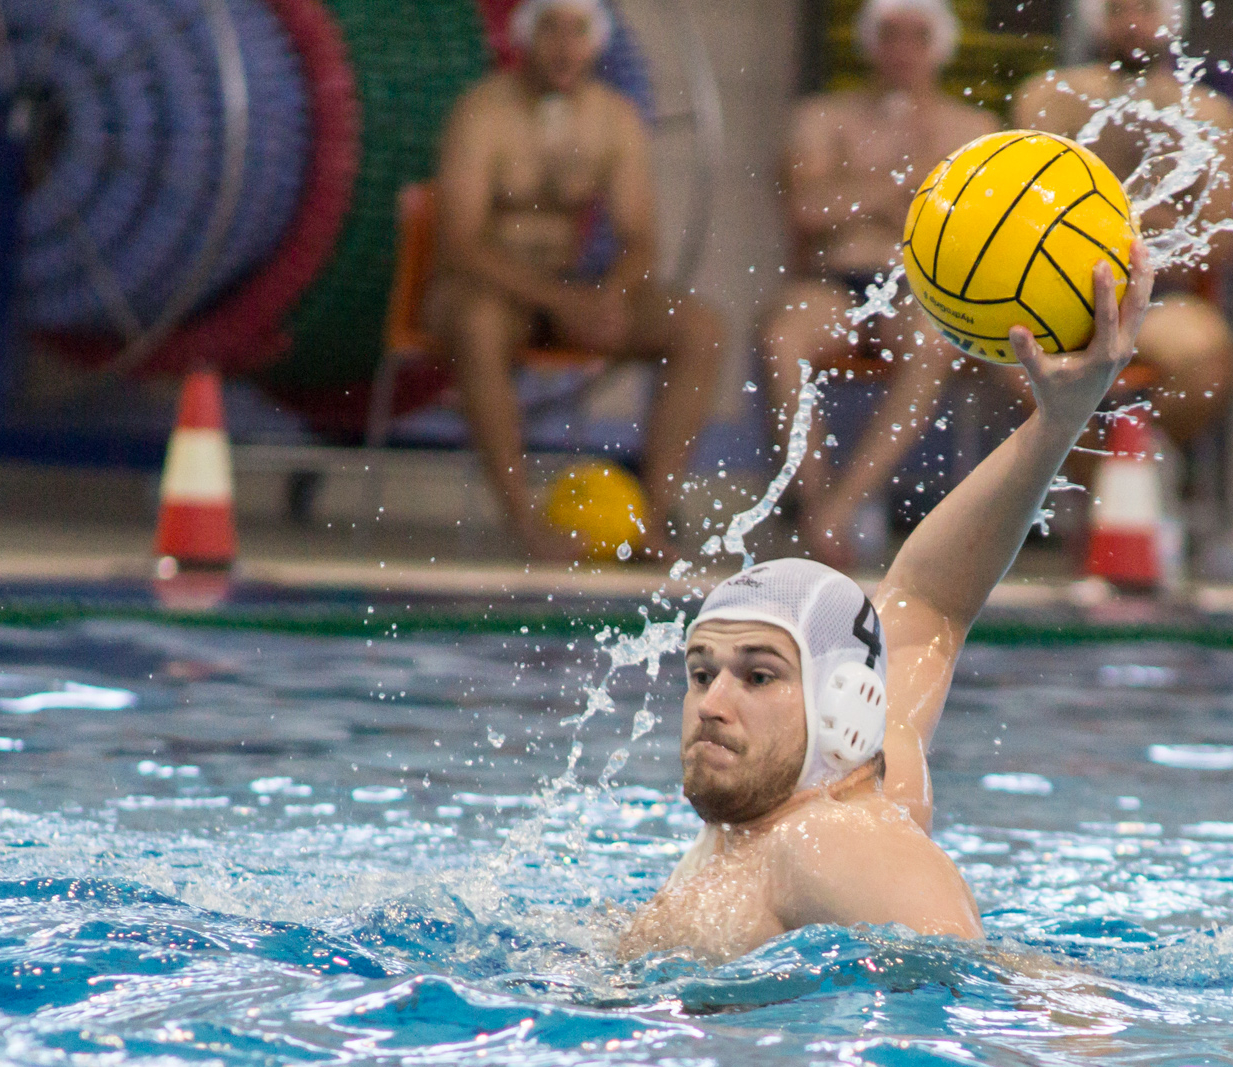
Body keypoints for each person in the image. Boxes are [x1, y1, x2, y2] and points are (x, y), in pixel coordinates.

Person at [620, 243, 1154, 962]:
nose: (712, 702)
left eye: (758, 675)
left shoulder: (831, 840)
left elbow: (1000, 978)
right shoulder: (844, 764)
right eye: (701, 670)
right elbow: (929, 601)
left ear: (840, 706)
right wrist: (1058, 421)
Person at [430, 0, 723, 558]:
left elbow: (640, 239)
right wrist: (564, 300)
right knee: (478, 324)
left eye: (578, 31)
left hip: (570, 290)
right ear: (524, 37)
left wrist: (610, 298)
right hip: (485, 288)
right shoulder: (482, 111)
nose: (564, 45)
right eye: (550, 29)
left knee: (700, 329)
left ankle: (650, 520)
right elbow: (460, 244)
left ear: (597, 42)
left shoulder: (613, 118)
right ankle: (524, 521)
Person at [762, 0, 1000, 569]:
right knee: (781, 338)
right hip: (834, 282)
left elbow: (971, 234)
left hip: (916, 288)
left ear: (938, 47)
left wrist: (856, 193)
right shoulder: (820, 118)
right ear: (871, 44)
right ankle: (815, 500)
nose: (902, 51)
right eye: (890, 36)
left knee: (932, 341)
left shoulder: (975, 129)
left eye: (916, 38)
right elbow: (806, 208)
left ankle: (840, 509)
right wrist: (901, 192)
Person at [1012, 0, 1233, 449]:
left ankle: (1141, 468)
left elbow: (1220, 242)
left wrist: (1097, 218)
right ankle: (1096, 486)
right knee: (1010, 353)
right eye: (1119, 10)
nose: (1133, 24)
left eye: (1146, 10)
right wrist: (1148, 217)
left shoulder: (1210, 114)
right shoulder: (1050, 98)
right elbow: (1025, 214)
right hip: (1056, 292)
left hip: (1160, 299)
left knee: (1206, 362)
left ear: (1172, 19)